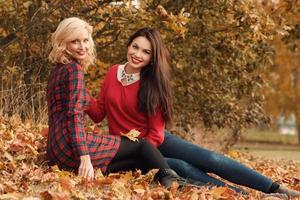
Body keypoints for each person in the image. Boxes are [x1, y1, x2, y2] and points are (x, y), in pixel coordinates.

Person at [86, 27, 300, 198]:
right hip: (130, 150)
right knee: (181, 167)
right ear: (129, 45)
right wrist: (78, 90)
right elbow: (98, 113)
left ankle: (274, 188)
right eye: (135, 47)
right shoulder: (113, 72)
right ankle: (246, 196)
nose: (137, 54)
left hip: (155, 140)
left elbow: (157, 134)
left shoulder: (153, 84)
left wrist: (149, 153)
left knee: (211, 159)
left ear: (152, 58)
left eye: (145, 52)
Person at [46, 17, 189, 188]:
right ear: (64, 42)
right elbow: (74, 115)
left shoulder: (58, 70)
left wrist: (83, 92)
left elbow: (77, 109)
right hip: (72, 145)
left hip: (57, 151)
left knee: (203, 161)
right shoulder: (75, 70)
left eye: (85, 40)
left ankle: (201, 187)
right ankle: (173, 182)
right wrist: (84, 157)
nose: (82, 46)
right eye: (75, 41)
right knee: (145, 149)